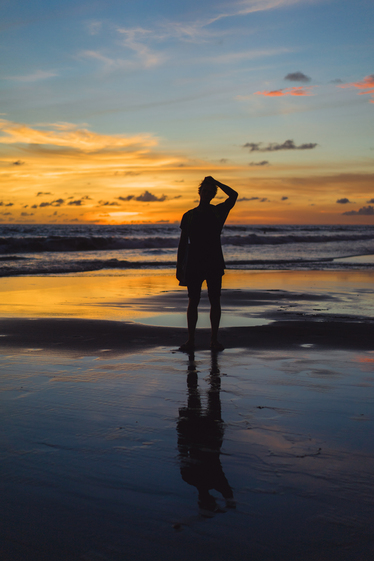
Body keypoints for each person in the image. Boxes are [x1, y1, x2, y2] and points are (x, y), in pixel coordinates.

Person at [177, 176, 238, 351]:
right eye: (205, 191)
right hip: (194, 263)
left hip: (213, 262)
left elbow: (234, 195)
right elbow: (182, 244)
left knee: (215, 300)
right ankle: (190, 341)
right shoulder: (188, 216)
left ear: (213, 195)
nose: (207, 194)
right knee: (193, 301)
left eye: (211, 192)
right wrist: (179, 267)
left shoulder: (218, 212)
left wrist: (216, 182)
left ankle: (214, 340)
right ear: (199, 192)